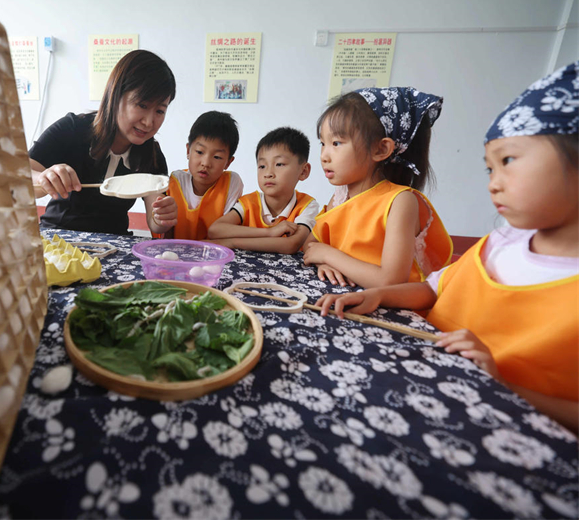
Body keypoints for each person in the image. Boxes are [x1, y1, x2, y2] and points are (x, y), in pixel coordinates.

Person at [315, 62, 579, 431]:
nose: (494, 183)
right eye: (490, 169)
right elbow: (432, 289)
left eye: (509, 161)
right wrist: (378, 297)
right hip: (430, 375)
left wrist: (505, 386)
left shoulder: (400, 201)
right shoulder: (500, 243)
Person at [302, 88, 452, 288]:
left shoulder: (400, 202)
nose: (324, 155)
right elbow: (310, 246)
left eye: (336, 143)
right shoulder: (341, 196)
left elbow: (390, 281)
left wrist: (329, 255)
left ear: (381, 149)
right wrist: (324, 262)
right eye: (323, 143)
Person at [30, 50, 177, 235]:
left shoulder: (152, 155)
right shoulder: (72, 129)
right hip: (59, 237)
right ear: (115, 96)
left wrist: (162, 217)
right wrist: (42, 178)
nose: (149, 122)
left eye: (160, 111)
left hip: (114, 245)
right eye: (142, 105)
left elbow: (155, 222)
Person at [207, 127, 318, 254]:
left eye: (279, 164)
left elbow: (290, 244)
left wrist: (232, 242)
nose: (268, 173)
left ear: (303, 171)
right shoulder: (249, 203)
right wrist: (269, 232)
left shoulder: (307, 206)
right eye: (262, 166)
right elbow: (215, 230)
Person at [166, 111, 244, 240]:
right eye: (200, 152)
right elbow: (165, 232)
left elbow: (226, 232)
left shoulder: (232, 183)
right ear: (188, 151)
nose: (206, 163)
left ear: (228, 162)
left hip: (214, 254)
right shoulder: (176, 181)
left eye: (217, 157)